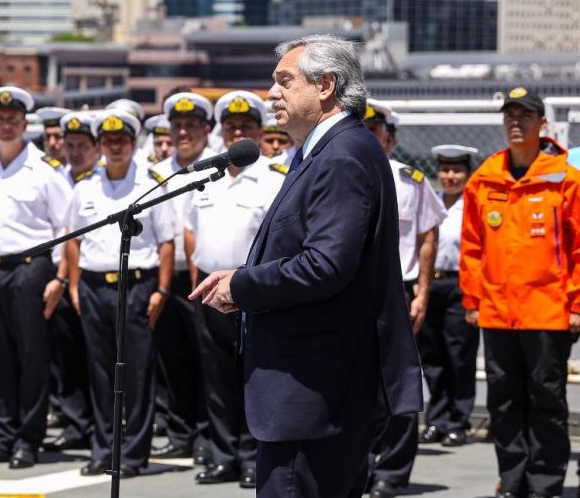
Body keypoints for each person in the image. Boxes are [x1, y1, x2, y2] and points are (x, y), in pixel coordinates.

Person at [190, 35, 423, 497]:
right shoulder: (325, 151)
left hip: (316, 391)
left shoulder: (342, 155)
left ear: (326, 85)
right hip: (313, 387)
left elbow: (326, 265)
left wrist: (242, 286)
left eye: (284, 81)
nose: (272, 94)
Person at [460, 87, 580, 498]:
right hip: (496, 313)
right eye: (509, 115)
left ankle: (545, 484)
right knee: (503, 402)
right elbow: (472, 247)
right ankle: (513, 481)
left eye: (525, 116)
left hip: (548, 312)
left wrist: (577, 305)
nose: (516, 122)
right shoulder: (485, 179)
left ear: (541, 123)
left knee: (547, 400)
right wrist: (472, 301)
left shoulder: (565, 179)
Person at [64, 108, 176, 478]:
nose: (115, 147)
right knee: (99, 374)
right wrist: (76, 285)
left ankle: (132, 454)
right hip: (94, 287)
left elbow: (166, 242)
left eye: (122, 141)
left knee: (137, 375)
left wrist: (161, 288)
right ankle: (104, 448)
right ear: (100, 146)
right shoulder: (85, 187)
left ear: (132, 143)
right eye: (109, 142)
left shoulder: (151, 183)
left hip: (137, 285)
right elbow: (74, 241)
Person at [0, 86, 72, 469]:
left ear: (25, 124)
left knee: (31, 358)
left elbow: (66, 225)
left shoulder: (45, 170)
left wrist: (59, 278)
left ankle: (28, 439)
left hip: (31, 269)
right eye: (0, 121)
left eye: (13, 121)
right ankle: (2, 434)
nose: (6, 126)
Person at [186, 90, 284, 489]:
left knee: (251, 378)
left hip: (250, 292)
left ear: (259, 133)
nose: (237, 132)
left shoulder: (273, 179)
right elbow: (190, 231)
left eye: (245, 127)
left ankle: (250, 455)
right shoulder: (205, 176)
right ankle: (223, 454)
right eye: (230, 128)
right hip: (209, 290)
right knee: (216, 379)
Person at [362, 99, 446, 498]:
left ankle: (391, 474)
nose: (368, 137)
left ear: (389, 138)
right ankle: (359, 465)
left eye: (375, 131)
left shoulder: (409, 180)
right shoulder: (340, 173)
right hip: (353, 292)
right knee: (353, 384)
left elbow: (429, 235)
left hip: (400, 290)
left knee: (398, 386)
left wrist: (423, 293)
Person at [149, 91, 217, 464]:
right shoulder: (158, 172)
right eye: (177, 127)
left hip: (204, 277)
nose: (184, 133)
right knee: (172, 360)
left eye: (192, 126)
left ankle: (209, 433)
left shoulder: (216, 168)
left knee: (207, 360)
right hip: (167, 277)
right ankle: (180, 430)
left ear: (207, 130)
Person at [40, 110, 99, 453]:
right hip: (56, 277)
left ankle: (94, 421)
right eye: (70, 145)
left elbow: (73, 238)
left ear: (95, 148)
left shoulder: (97, 180)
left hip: (79, 277)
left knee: (94, 357)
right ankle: (74, 420)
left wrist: (66, 279)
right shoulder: (57, 177)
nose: (75, 152)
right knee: (66, 356)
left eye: (82, 145)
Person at [418, 144, 480, 448]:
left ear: (467, 174)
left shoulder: (473, 204)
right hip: (431, 284)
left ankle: (459, 421)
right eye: (445, 170)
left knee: (460, 356)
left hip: (460, 285)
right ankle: (436, 419)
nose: (450, 176)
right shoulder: (432, 200)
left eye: (457, 171)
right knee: (431, 356)